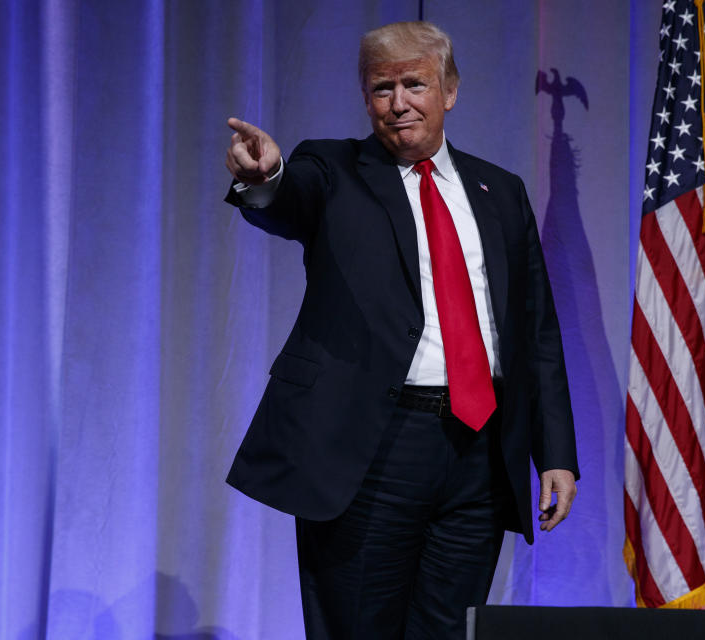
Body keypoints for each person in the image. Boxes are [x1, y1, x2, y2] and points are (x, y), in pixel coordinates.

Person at [223, 20, 579, 640]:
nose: (399, 103)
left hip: (479, 453)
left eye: (415, 83)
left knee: (449, 630)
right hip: (373, 449)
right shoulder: (332, 169)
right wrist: (265, 177)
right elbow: (288, 199)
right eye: (381, 89)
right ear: (366, 100)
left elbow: (537, 331)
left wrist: (554, 453)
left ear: (450, 91)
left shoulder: (501, 192)